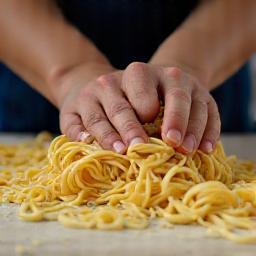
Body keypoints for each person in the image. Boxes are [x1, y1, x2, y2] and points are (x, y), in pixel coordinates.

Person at [0, 0, 255, 155]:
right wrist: (71, 72)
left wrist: (188, 65)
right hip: (32, 89)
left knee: (193, 137)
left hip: (212, 63)